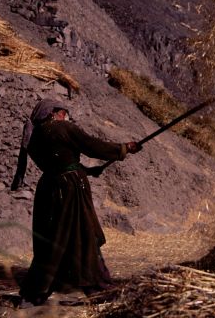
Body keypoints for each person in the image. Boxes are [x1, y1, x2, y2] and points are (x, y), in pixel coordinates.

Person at [11, 98, 141, 306]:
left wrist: (86, 171)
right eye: (63, 112)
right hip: (70, 191)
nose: (66, 116)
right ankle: (98, 289)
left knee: (51, 242)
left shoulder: (34, 136)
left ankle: (34, 292)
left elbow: (59, 163)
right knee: (84, 235)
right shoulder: (62, 128)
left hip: (49, 190)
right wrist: (124, 148)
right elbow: (92, 146)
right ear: (52, 113)